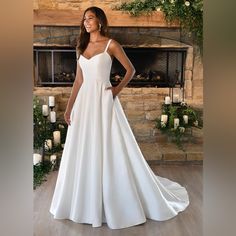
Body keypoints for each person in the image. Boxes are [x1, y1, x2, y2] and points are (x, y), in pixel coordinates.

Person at [49, 6, 189, 230]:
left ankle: (115, 199)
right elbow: (78, 81)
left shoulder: (111, 44)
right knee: (83, 147)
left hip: (103, 102)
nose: (86, 22)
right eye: (84, 19)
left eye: (90, 18)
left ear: (100, 21)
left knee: (108, 146)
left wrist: (115, 90)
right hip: (84, 103)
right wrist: (69, 108)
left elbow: (131, 70)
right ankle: (82, 201)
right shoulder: (82, 46)